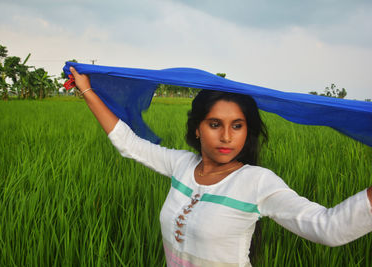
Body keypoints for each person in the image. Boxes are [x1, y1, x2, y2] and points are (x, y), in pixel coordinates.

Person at [69, 67, 372, 267]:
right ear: (198, 128)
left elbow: (328, 228)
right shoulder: (183, 165)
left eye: (237, 126)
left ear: (247, 131)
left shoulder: (257, 182)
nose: (227, 136)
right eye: (215, 124)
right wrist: (87, 90)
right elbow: (129, 144)